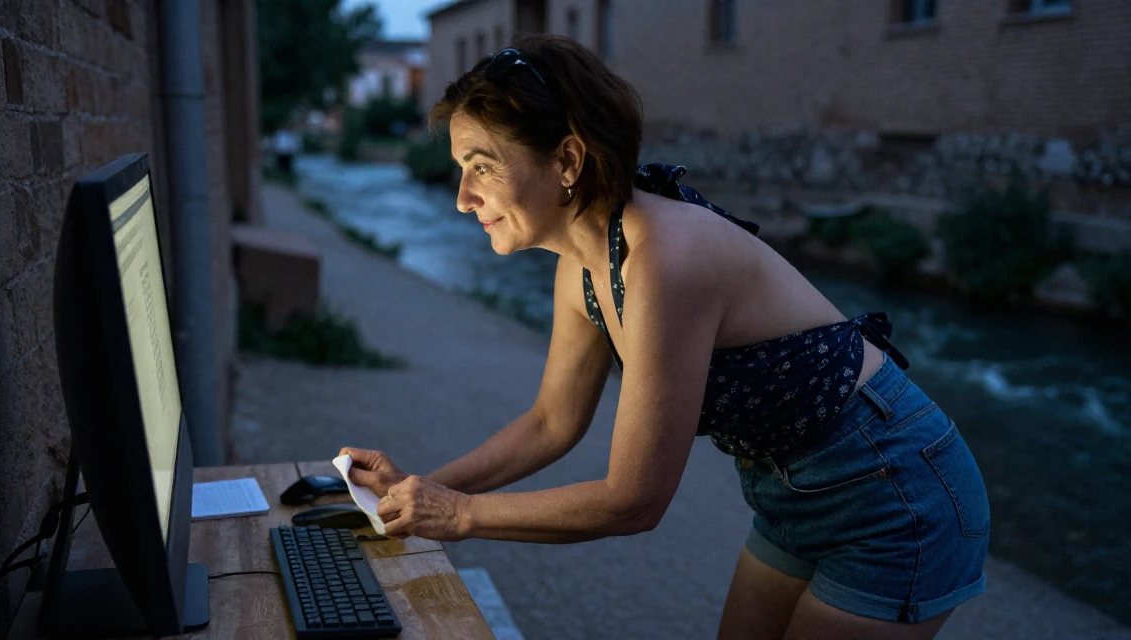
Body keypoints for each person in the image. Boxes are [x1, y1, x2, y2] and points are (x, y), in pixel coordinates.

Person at [340, 34, 989, 639]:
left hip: (894, 491)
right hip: (794, 494)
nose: (461, 197)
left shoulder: (661, 259)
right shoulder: (584, 266)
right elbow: (551, 423)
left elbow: (633, 501)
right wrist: (416, 496)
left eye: (481, 166)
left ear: (567, 159)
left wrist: (459, 516)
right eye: (460, 169)